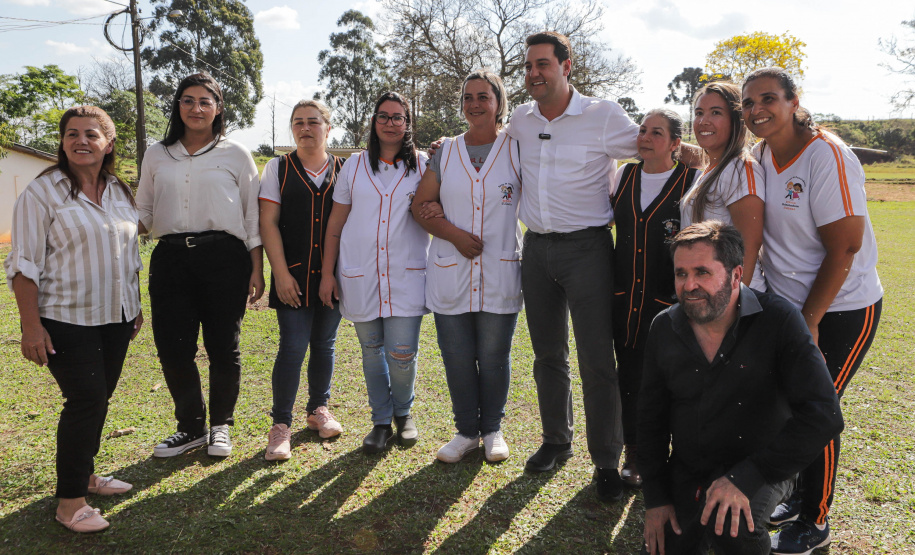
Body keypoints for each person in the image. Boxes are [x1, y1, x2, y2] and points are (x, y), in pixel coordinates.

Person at [741, 67, 883, 554]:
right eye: (748, 102)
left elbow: (844, 248)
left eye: (768, 99)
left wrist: (809, 321)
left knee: (814, 409)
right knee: (792, 405)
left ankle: (815, 522)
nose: (757, 109)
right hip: (791, 309)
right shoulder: (758, 154)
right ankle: (802, 497)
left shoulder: (827, 155)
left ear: (793, 100)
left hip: (841, 308)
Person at [639, 221, 843, 555]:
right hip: (691, 465)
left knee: (732, 529)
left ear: (736, 275)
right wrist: (656, 499)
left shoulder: (780, 321)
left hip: (762, 463)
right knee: (664, 545)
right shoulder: (665, 327)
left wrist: (748, 476)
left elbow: (824, 415)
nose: (689, 285)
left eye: (703, 272)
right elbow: (650, 420)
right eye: (681, 274)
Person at [5, 106, 143, 532]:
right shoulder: (42, 192)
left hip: (116, 317)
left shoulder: (119, 190)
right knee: (85, 401)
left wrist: (134, 306)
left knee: (99, 400)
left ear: (109, 143)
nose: (81, 141)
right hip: (66, 318)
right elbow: (24, 264)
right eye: (71, 134)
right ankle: (70, 503)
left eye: (91, 134)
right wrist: (31, 326)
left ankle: (84, 476)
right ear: (62, 142)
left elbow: (130, 255)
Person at [137, 72, 264, 458]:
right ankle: (190, 427)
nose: (196, 108)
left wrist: (257, 269)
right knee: (173, 349)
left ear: (218, 108)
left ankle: (221, 426)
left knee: (223, 347)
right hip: (171, 258)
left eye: (205, 101)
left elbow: (251, 216)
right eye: (188, 100)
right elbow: (142, 208)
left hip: (224, 258)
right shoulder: (158, 153)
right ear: (177, 105)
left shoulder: (236, 154)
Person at [411, 70, 523, 463]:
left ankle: (492, 429)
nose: (475, 103)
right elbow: (419, 207)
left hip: (499, 267)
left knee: (494, 355)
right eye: (468, 97)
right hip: (450, 268)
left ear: (498, 102)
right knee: (457, 355)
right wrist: (454, 234)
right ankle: (465, 432)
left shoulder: (517, 147)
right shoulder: (446, 152)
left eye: (483, 96)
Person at [319, 92, 429, 454]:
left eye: (398, 117)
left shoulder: (424, 164)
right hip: (360, 272)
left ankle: (404, 413)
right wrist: (327, 273)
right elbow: (336, 221)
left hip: (406, 274)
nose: (390, 123)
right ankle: (381, 421)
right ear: (373, 122)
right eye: (383, 116)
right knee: (371, 350)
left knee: (402, 352)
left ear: (408, 123)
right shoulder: (353, 166)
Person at [609, 109, 698, 487]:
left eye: (657, 132)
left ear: (676, 143)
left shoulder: (692, 182)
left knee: (671, 383)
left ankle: (677, 457)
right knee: (628, 379)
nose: (645, 138)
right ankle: (636, 454)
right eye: (642, 130)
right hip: (625, 301)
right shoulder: (624, 175)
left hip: (669, 305)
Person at [258, 100, 346, 461]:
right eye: (298, 123)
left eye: (313, 122)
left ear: (328, 127)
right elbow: (268, 223)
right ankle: (281, 426)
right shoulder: (277, 168)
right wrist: (279, 274)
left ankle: (318, 410)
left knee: (324, 343)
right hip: (292, 275)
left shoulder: (346, 169)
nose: (305, 128)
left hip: (334, 276)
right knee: (292, 348)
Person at [680, 81, 766, 290]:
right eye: (699, 113)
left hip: (730, 298)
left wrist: (735, 304)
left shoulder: (741, 169)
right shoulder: (712, 168)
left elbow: (749, 247)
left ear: (736, 120)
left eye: (716, 113)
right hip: (708, 294)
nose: (703, 121)